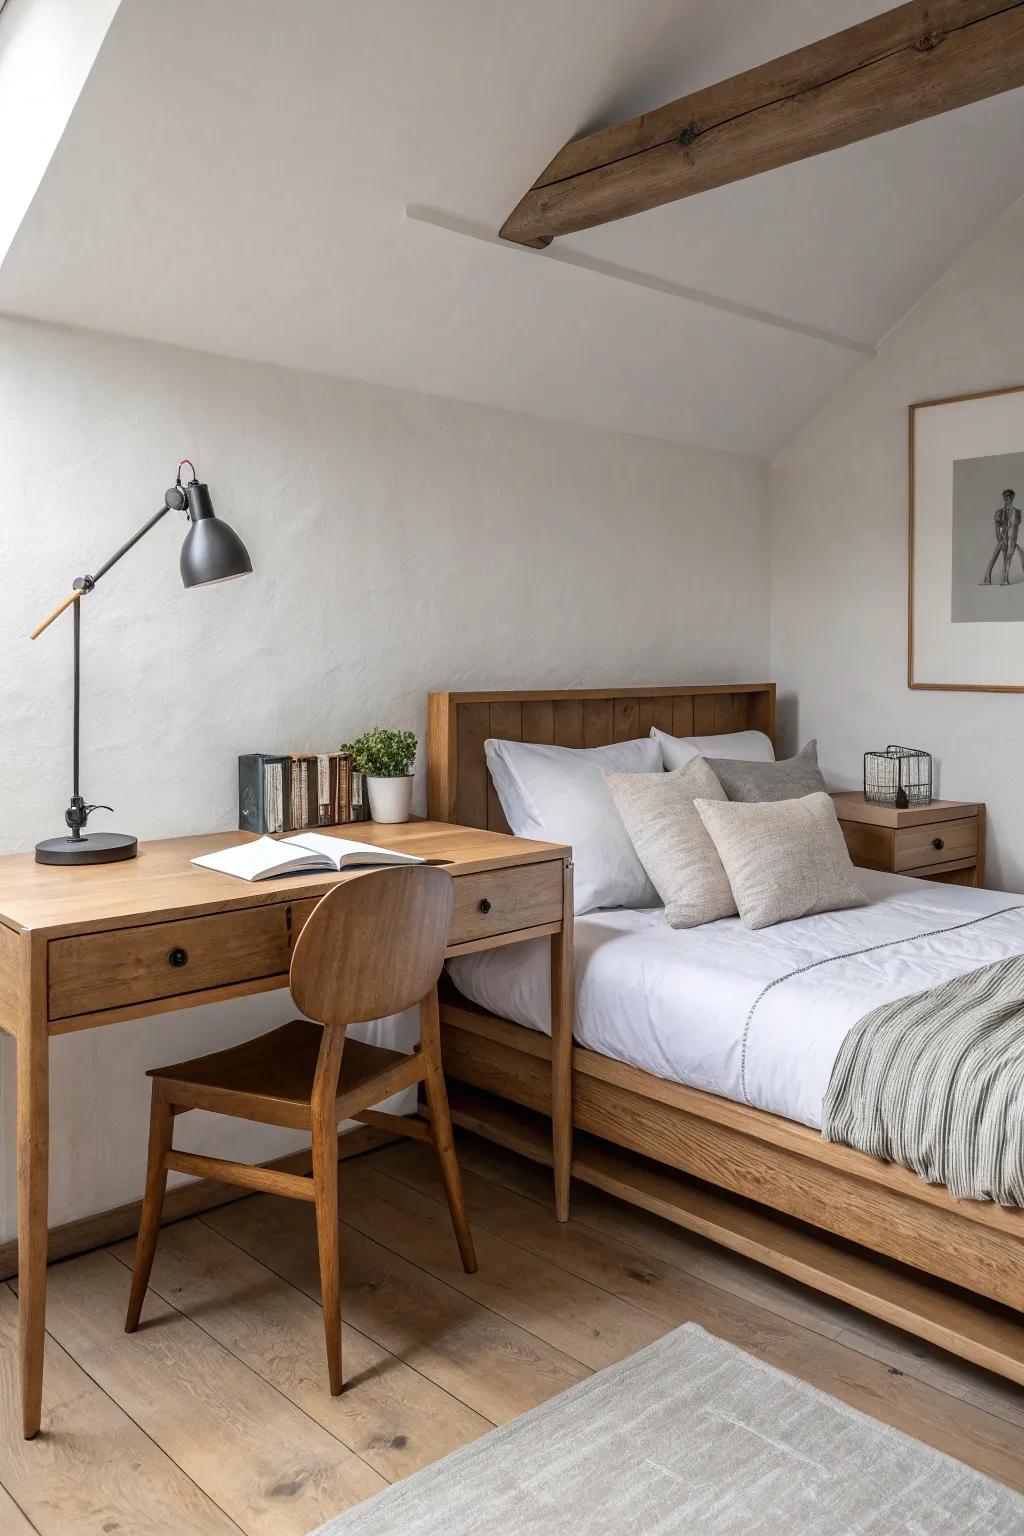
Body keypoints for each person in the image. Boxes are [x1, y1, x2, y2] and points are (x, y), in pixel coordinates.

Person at [983, 489, 1024, 585]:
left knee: (1008, 557)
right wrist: (1000, 539)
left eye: (1009, 496)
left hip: (1013, 538)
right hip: (1004, 537)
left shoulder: (1018, 512)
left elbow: (1016, 525)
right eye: (1005, 496)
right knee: (996, 555)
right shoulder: (999, 512)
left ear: (1013, 497)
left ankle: (1005, 578)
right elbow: (997, 529)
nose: (1007, 498)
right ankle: (988, 575)